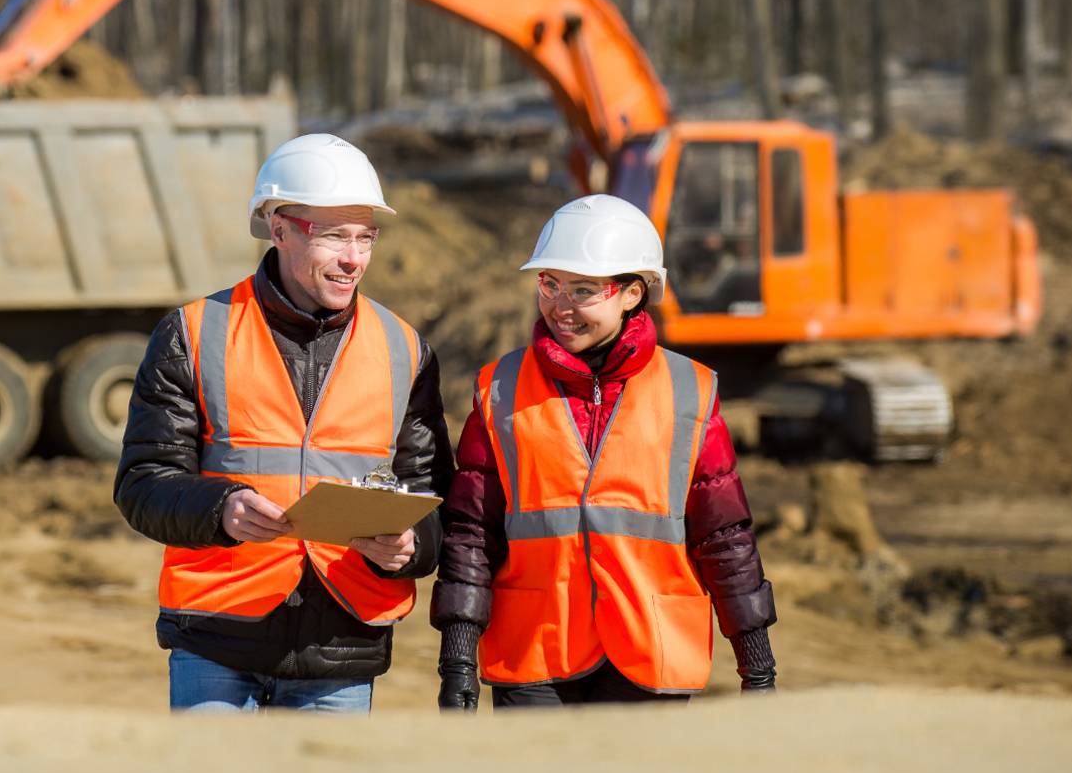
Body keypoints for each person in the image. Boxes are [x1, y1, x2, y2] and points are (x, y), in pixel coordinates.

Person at [115, 133, 450, 713]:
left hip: (341, 646)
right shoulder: (193, 334)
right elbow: (143, 483)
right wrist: (220, 510)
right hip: (218, 636)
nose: (354, 258)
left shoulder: (404, 349)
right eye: (335, 236)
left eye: (365, 237)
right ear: (280, 230)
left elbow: (429, 498)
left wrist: (410, 546)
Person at [432, 194, 778, 709]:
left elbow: (723, 536)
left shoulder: (689, 391)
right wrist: (457, 658)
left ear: (632, 293)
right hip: (534, 657)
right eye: (549, 284)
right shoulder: (500, 388)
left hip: (649, 654)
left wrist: (757, 662)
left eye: (583, 290)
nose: (560, 306)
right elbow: (471, 535)